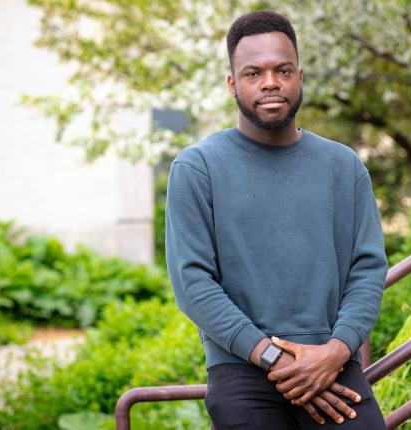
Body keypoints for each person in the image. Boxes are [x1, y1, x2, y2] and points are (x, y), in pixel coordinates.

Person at [165, 10, 388, 429]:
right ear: (233, 84)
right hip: (241, 371)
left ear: (299, 76)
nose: (271, 82)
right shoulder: (198, 168)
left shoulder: (344, 167)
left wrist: (336, 352)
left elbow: (368, 269)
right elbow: (192, 282)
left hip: (333, 364)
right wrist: (276, 358)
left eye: (283, 70)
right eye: (254, 73)